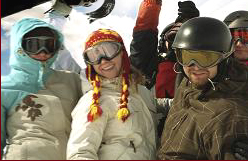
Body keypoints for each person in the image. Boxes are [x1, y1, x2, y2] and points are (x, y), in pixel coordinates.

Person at [157, 17, 248, 160]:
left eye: (206, 57)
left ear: (224, 58)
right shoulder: (189, 83)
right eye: (186, 56)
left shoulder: (231, 115)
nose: (195, 66)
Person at [66, 29, 157, 160]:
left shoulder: (141, 92)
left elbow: (161, 105)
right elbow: (80, 153)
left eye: (109, 50)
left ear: (122, 53)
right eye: (94, 55)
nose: (103, 61)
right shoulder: (94, 102)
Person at [1, 18, 82, 159]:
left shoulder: (71, 80)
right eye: (34, 45)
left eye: (49, 45)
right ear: (19, 47)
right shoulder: (5, 88)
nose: (43, 51)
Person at [130, 0, 200, 99]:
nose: (178, 43)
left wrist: (194, 24)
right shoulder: (147, 64)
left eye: (185, 38)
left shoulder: (200, 67)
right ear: (163, 43)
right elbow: (144, 29)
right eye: (173, 37)